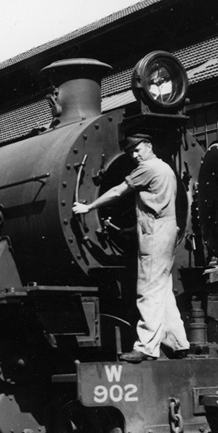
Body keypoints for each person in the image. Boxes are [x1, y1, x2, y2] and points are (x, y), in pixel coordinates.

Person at [72, 133, 189, 363]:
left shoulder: (147, 169)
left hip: (154, 234)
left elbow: (118, 191)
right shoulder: (166, 169)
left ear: (149, 145)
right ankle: (178, 342)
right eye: (131, 153)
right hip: (168, 231)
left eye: (137, 150)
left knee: (147, 290)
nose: (135, 156)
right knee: (163, 290)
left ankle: (146, 347)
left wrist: (89, 207)